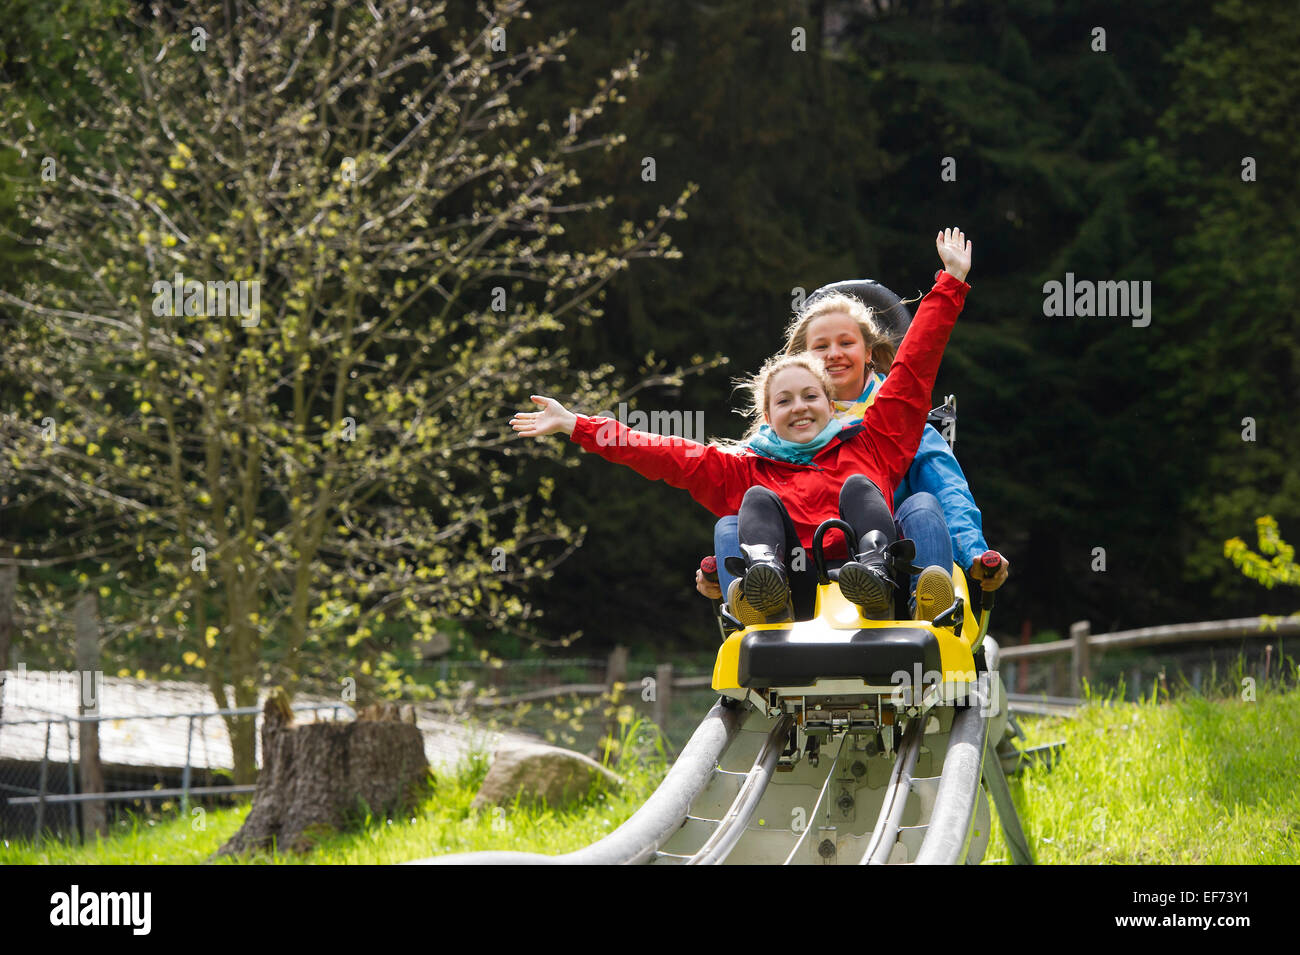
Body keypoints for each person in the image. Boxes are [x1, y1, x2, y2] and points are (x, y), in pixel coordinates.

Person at [511, 228, 973, 622]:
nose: (800, 408)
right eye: (785, 401)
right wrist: (577, 426)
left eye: (812, 396)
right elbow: (661, 452)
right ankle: (758, 589)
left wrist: (950, 283)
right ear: (768, 416)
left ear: (833, 406)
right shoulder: (749, 466)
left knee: (866, 488)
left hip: (867, 572)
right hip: (799, 589)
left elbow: (913, 368)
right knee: (746, 506)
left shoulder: (871, 441)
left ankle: (879, 572)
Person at [697, 274, 1009, 623]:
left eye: (846, 343)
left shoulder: (898, 424)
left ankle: (926, 603)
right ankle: (754, 601)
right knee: (731, 521)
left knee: (923, 504)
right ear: (805, 362)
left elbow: (948, 492)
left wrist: (975, 555)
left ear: (869, 353)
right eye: (821, 347)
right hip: (803, 570)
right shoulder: (776, 437)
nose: (834, 354)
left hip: (893, 557)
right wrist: (722, 568)